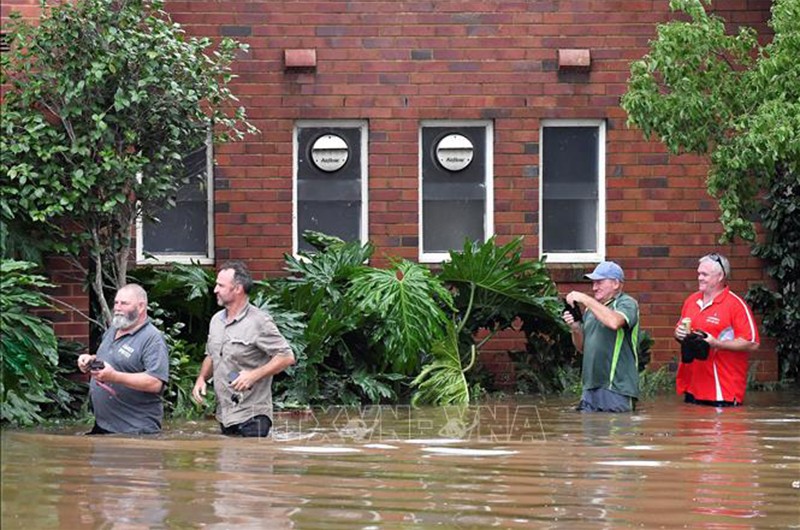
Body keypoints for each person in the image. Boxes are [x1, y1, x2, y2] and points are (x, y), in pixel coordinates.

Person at [192, 261, 295, 437]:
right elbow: (212, 355)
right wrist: (201, 378)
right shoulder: (216, 320)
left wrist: (253, 375)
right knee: (227, 461)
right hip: (225, 414)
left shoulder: (259, 321)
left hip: (253, 415)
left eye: (221, 285)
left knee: (250, 460)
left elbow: (286, 357)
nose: (215, 289)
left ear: (237, 289)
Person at [77, 284, 169, 434]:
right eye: (116, 303)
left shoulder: (152, 339)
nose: (117, 308)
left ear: (141, 307)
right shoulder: (112, 330)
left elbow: (155, 382)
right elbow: (112, 359)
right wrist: (89, 361)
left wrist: (114, 377)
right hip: (104, 427)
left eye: (124, 303)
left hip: (135, 432)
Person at [674, 253, 760, 407]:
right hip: (692, 387)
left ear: (720, 276)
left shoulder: (735, 305)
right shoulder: (691, 301)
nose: (699, 278)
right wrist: (678, 334)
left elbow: (752, 343)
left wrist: (717, 344)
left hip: (723, 389)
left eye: (704, 274)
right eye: (699, 273)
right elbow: (679, 329)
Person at [562, 261, 640, 412]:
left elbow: (614, 322)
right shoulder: (591, 311)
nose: (594, 287)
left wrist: (585, 299)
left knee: (615, 434)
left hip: (617, 387)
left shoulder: (627, 303)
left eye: (599, 282)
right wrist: (576, 328)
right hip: (589, 388)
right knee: (591, 434)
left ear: (616, 283)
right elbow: (582, 348)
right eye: (593, 283)